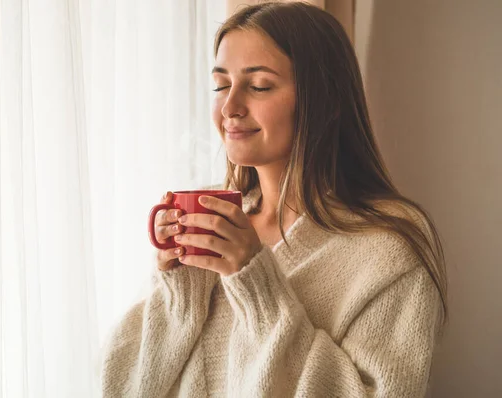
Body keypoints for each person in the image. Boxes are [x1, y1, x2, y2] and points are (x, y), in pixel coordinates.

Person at [99, 2, 447, 397]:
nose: (229, 107)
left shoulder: (388, 248)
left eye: (259, 85)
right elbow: (120, 383)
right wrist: (181, 290)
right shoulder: (221, 229)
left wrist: (256, 285)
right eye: (221, 85)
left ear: (325, 100)